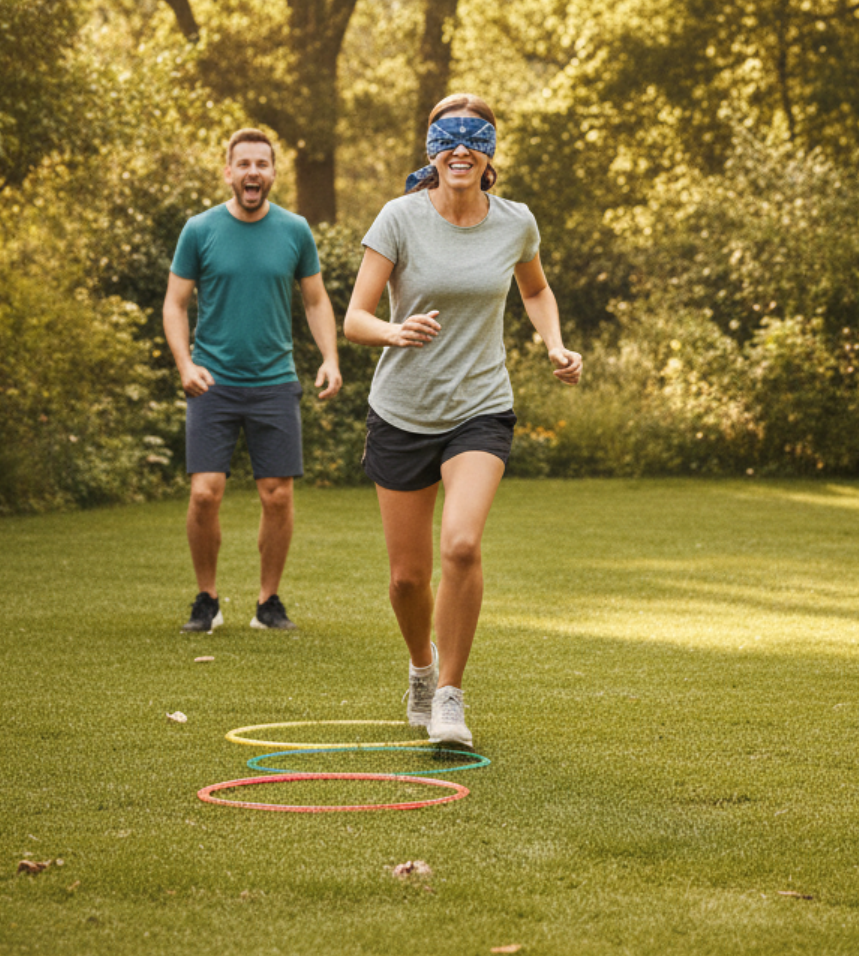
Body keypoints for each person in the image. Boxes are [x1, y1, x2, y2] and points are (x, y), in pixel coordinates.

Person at [343, 94, 581, 746]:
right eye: (448, 136)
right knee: (406, 578)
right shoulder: (399, 219)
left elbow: (534, 289)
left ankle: (449, 693)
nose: (460, 147)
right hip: (402, 412)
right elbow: (354, 318)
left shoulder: (515, 223)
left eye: (474, 137)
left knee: (463, 545)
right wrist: (394, 331)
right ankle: (421, 667)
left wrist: (554, 342)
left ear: (489, 153)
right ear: (431, 150)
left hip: (480, 407)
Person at [163, 128, 342, 634]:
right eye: (243, 164)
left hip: (274, 381)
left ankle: (268, 602)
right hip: (212, 383)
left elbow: (314, 300)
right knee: (205, 492)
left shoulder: (295, 230)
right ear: (228, 172)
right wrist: (185, 365)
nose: (252, 173)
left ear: (272, 174)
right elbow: (175, 304)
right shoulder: (199, 230)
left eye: (262, 164)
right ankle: (206, 599)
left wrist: (329, 357)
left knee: (277, 495)